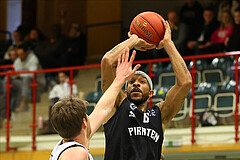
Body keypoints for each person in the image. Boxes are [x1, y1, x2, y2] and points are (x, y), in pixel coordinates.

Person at [101, 20, 192, 159]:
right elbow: (107, 61)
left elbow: (185, 82)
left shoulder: (160, 115)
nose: (136, 84)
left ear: (151, 93)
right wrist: (133, 40)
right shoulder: (117, 107)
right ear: (125, 92)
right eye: (131, 82)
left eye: (142, 82)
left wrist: (168, 44)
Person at [49, 48, 141, 160]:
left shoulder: (70, 143)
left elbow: (103, 109)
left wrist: (120, 80)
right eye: (87, 115)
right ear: (84, 122)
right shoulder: (76, 153)